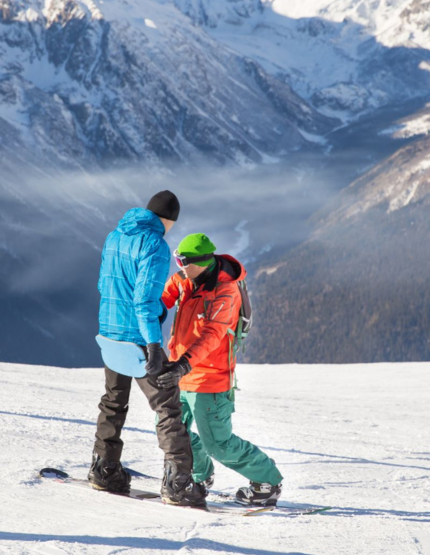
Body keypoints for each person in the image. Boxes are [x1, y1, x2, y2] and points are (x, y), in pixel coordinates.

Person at [88, 192, 206, 508]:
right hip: (137, 338)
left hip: (109, 332)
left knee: (113, 400)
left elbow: (104, 285)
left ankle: (104, 468)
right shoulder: (155, 245)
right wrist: (154, 344)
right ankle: (178, 483)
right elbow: (142, 301)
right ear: (168, 220)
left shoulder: (115, 236)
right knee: (168, 408)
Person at [159, 233, 283, 506]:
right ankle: (200, 475)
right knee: (172, 429)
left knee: (217, 442)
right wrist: (151, 310)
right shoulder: (184, 280)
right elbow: (163, 297)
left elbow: (213, 334)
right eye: (176, 259)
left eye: (183, 260)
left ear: (202, 262)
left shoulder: (225, 291)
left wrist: (183, 364)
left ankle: (268, 481)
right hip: (182, 372)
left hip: (209, 379)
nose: (178, 265)